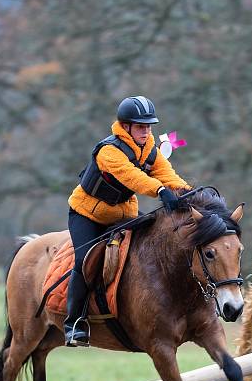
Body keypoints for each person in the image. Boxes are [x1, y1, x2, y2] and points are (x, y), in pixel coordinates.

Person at [65, 95, 191, 347]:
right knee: (84, 261)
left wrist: (187, 192)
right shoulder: (108, 152)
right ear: (125, 127)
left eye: (148, 127)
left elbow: (168, 174)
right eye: (140, 127)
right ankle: (74, 323)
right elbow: (132, 177)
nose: (146, 131)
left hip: (122, 216)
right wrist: (160, 191)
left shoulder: (149, 150)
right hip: (87, 216)